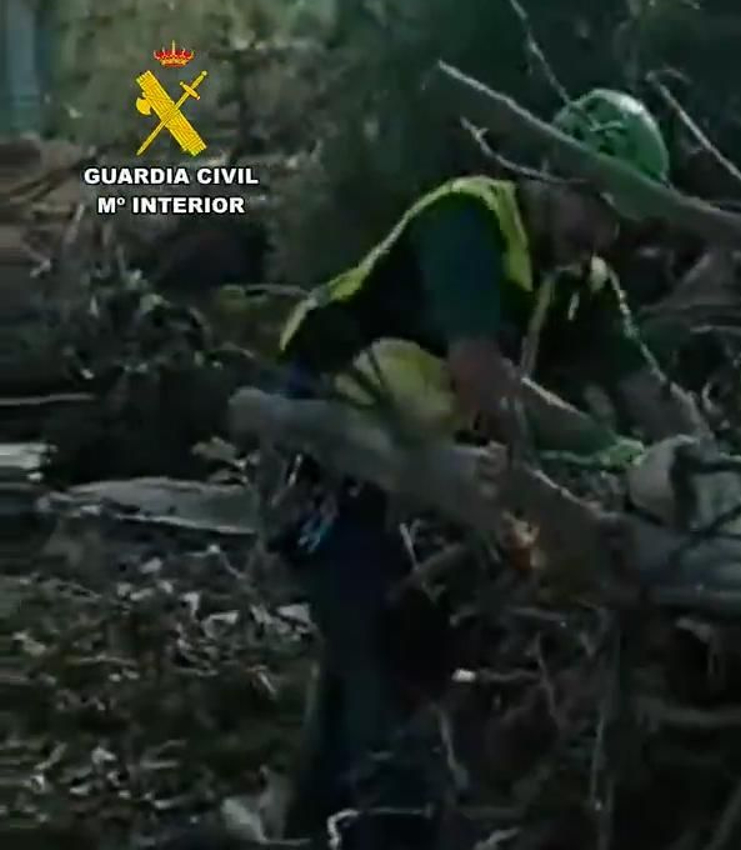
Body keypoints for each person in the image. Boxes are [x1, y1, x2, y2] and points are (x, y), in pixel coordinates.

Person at [267, 87, 705, 850]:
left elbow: (651, 393)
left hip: (411, 454)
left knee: (379, 645)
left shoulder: (585, 284)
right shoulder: (468, 219)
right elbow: (479, 373)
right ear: (554, 169)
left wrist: (709, 466)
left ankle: (309, 826)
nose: (598, 231)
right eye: (591, 203)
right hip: (326, 434)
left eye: (616, 218)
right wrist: (606, 449)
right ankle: (385, 829)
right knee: (377, 629)